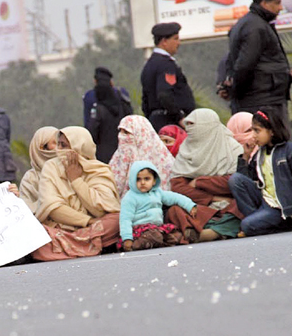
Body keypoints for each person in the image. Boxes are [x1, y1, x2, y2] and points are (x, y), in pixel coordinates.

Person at [32, 127, 121, 262]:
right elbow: (52, 208)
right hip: (62, 229)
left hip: (92, 228)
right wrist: (87, 221)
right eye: (59, 144)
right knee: (34, 233)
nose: (59, 150)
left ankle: (67, 246)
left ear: (80, 147)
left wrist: (76, 180)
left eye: (64, 146)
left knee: (117, 220)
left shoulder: (99, 170)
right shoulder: (51, 167)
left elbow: (101, 209)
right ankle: (89, 244)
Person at [169, 108, 245, 240]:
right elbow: (177, 188)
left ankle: (207, 233)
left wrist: (199, 182)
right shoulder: (186, 151)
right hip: (200, 206)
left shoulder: (233, 149)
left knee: (241, 205)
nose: (188, 129)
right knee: (174, 210)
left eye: (193, 125)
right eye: (187, 125)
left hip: (229, 203)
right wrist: (212, 198)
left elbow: (235, 181)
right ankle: (216, 231)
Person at [226, 0, 290, 123]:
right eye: (277, 3)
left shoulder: (252, 23)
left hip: (262, 97)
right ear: (264, 4)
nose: (280, 8)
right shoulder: (256, 27)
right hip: (262, 100)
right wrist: (238, 93)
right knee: (272, 140)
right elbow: (245, 65)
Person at [229, 109, 292, 236]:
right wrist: (246, 156)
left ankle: (281, 225)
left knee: (247, 225)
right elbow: (245, 180)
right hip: (266, 202)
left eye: (257, 130)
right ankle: (257, 221)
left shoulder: (287, 150)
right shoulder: (260, 154)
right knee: (235, 179)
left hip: (281, 207)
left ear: (272, 131)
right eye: (252, 130)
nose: (253, 135)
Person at [119, 161, 197, 251]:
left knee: (176, 236)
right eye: (138, 179)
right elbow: (125, 219)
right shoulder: (130, 197)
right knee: (154, 236)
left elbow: (175, 197)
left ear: (154, 181)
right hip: (140, 231)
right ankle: (134, 246)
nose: (142, 182)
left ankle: (159, 243)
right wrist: (127, 238)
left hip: (157, 228)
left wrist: (190, 205)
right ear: (132, 180)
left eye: (147, 179)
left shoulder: (158, 193)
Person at [141, 22, 196, 131]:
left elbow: (145, 100)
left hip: (156, 121)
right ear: (164, 42)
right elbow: (164, 94)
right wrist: (179, 117)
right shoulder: (166, 64)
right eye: (175, 39)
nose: (178, 43)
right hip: (170, 123)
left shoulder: (150, 64)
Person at [109, 115, 176, 197]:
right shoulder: (119, 156)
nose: (121, 136)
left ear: (140, 133)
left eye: (126, 132)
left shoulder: (163, 160)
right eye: (120, 131)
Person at [85, 70, 133, 163]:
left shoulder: (98, 110)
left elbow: (92, 133)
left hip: (103, 156)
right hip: (123, 153)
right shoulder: (122, 106)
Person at [18, 126, 58, 213]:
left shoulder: (70, 171)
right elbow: (26, 208)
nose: (59, 148)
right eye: (55, 143)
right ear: (42, 148)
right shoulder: (30, 178)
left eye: (62, 143)